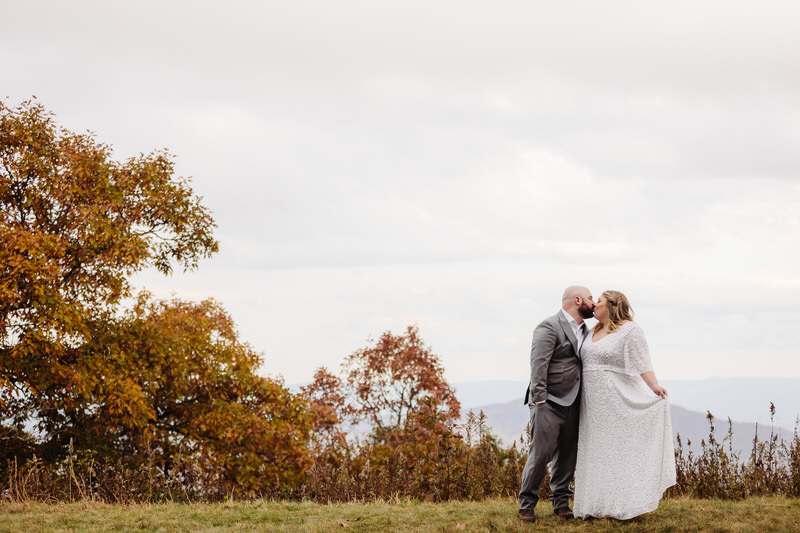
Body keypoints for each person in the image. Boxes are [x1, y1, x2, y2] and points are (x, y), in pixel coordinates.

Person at [573, 290, 676, 520]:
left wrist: (654, 386)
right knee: (596, 451)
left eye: (598, 301)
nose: (594, 305)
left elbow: (642, 361)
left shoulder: (630, 330)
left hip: (617, 399)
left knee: (617, 451)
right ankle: (595, 505)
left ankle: (622, 506)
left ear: (612, 305)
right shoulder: (592, 331)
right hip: (592, 405)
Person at [518, 286, 595, 522]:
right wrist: (539, 400)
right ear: (578, 299)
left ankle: (561, 502)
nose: (594, 303)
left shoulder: (587, 330)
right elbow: (538, 364)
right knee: (540, 454)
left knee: (567, 456)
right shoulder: (549, 326)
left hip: (574, 401)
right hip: (548, 402)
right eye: (591, 298)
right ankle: (526, 505)